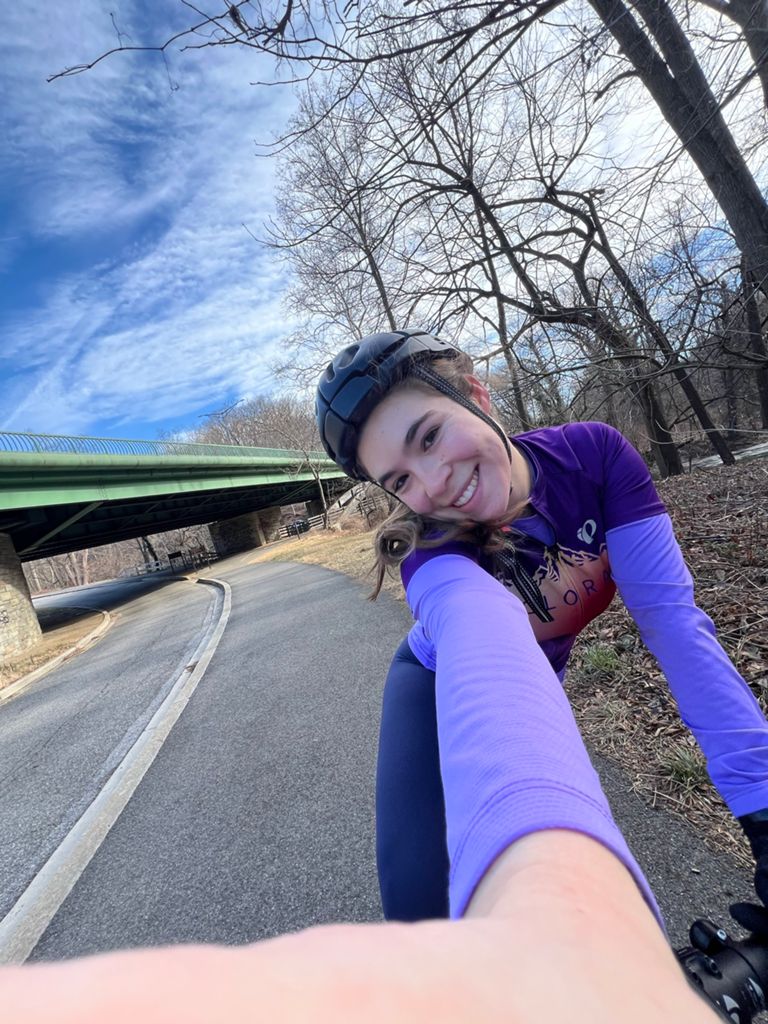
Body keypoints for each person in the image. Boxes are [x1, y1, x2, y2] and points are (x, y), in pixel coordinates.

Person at [316, 327, 768, 932]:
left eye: (429, 436)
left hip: (536, 679)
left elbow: (676, 627)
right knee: (420, 915)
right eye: (400, 481)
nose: (433, 484)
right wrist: (548, 887)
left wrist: (762, 806)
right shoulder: (433, 554)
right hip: (432, 687)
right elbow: (488, 657)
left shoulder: (593, 459)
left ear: (478, 395)